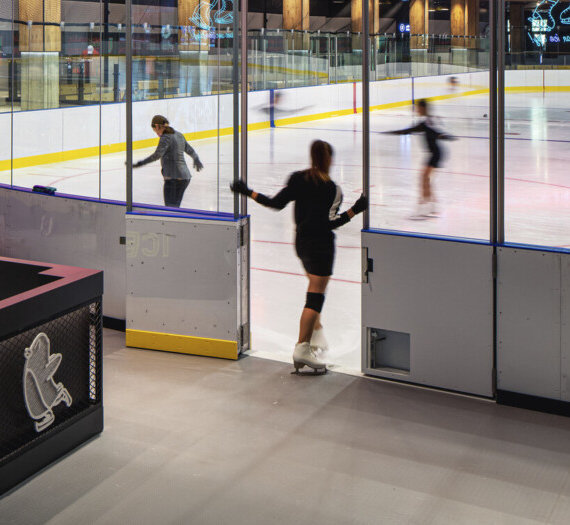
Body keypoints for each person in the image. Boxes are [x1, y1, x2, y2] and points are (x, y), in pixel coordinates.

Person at [230, 140, 368, 374]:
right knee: (315, 297)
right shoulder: (332, 189)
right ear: (330, 159)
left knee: (314, 290)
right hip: (321, 247)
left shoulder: (298, 179)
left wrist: (247, 191)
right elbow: (331, 222)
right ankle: (302, 347)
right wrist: (356, 208)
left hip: (301, 244)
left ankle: (316, 336)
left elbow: (275, 204)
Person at [383, 98, 456, 219]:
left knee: (423, 178)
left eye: (418, 107)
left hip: (435, 153)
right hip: (436, 152)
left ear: (422, 108)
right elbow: (413, 131)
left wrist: (442, 135)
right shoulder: (429, 120)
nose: (416, 110)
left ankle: (423, 208)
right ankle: (432, 207)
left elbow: (432, 132)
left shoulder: (426, 122)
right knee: (426, 179)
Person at [129, 115, 203, 208]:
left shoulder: (165, 137)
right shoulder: (178, 134)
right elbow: (189, 150)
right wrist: (196, 158)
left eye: (154, 130)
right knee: (175, 208)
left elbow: (157, 155)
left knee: (170, 209)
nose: (156, 132)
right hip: (184, 177)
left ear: (157, 126)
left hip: (174, 178)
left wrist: (141, 163)